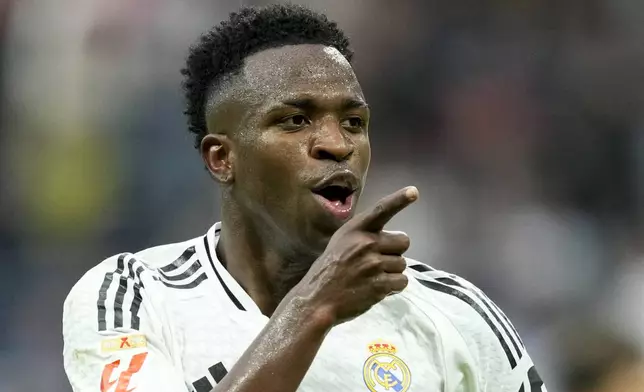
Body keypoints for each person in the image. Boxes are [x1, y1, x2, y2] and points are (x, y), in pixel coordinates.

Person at [62, 4, 547, 392]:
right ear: (221, 158)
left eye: (354, 123)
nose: (338, 144)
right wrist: (316, 304)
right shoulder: (133, 297)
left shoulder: (453, 315)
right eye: (295, 120)